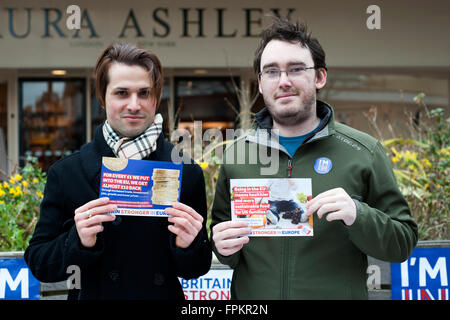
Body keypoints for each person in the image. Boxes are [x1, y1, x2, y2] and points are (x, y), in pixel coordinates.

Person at [210, 17, 418, 299]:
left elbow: (402, 243)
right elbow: (227, 246)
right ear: (260, 83)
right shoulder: (237, 154)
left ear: (319, 77)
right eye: (271, 72)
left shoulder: (363, 152)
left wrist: (359, 215)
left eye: (295, 69)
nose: (283, 81)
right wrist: (221, 246)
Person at [25, 43, 211, 300]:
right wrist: (77, 240)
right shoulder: (67, 173)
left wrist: (189, 244)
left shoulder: (186, 171)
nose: (134, 105)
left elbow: (197, 268)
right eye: (122, 93)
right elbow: (39, 263)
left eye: (144, 93)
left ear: (155, 98)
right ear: (103, 97)